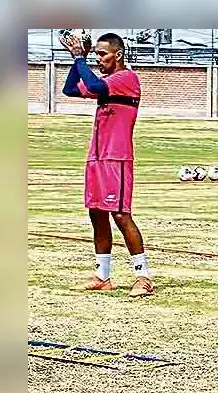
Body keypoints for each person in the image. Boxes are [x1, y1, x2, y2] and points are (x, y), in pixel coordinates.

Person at [60, 31, 152, 297]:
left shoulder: (126, 78)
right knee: (96, 212)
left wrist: (80, 58)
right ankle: (102, 276)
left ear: (118, 54)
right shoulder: (107, 79)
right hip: (97, 158)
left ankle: (142, 276)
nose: (99, 59)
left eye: (102, 54)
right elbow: (70, 88)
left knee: (121, 215)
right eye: (96, 54)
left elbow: (97, 87)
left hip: (117, 158)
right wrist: (77, 59)